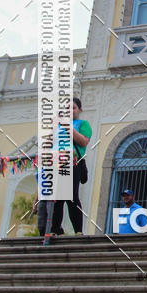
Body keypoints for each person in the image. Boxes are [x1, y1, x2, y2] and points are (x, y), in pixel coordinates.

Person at [50, 98, 91, 236]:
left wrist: (68, 127)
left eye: (73, 107)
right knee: (56, 198)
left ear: (79, 109)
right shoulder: (57, 127)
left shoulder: (83, 124)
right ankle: (56, 230)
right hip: (56, 163)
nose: (70, 111)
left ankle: (78, 231)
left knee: (71, 197)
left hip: (73, 162)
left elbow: (83, 141)